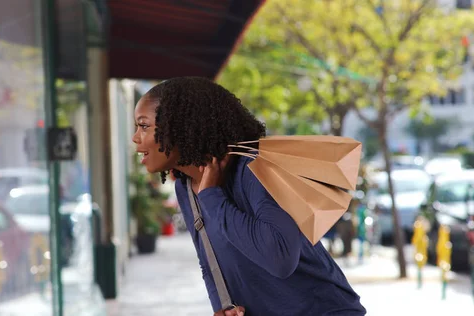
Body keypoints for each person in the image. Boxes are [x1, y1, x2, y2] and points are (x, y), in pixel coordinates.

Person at [132, 77, 366, 316]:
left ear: (178, 125)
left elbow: (280, 258)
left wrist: (212, 197)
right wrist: (223, 308)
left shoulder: (253, 171)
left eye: (144, 126)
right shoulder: (185, 188)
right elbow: (209, 262)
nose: (135, 137)